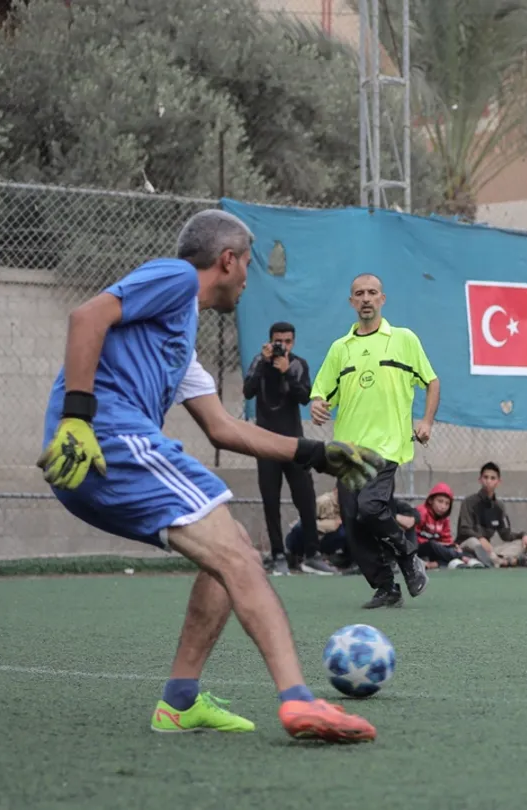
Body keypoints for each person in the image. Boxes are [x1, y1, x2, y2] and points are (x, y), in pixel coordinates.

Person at [37, 210, 378, 742]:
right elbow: (86, 316)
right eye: (247, 267)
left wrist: (315, 452)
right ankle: (298, 701)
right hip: (103, 439)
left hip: (97, 457)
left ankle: (179, 702)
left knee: (231, 546)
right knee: (240, 554)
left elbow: (223, 427)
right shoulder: (175, 278)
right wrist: (78, 419)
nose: (248, 280)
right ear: (228, 260)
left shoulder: (176, 338)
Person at [310, 273, 440, 609]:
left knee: (371, 508)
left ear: (382, 299)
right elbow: (322, 391)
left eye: (372, 293)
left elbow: (432, 381)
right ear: (351, 302)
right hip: (347, 451)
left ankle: (409, 557)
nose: (366, 298)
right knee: (353, 522)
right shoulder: (340, 349)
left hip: (387, 445)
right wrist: (317, 404)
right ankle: (386, 587)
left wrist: (425, 421)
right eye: (359, 294)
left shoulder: (403, 339)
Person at [242, 321, 335, 576]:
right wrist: (264, 363)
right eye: (278, 341)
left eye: (287, 341)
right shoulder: (259, 362)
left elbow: (305, 397)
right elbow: (248, 391)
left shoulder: (298, 364)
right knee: (270, 500)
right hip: (265, 443)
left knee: (305, 497)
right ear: (270, 340)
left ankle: (312, 554)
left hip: (294, 443)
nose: (282, 346)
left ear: (293, 342)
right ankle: (278, 554)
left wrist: (286, 373)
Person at [455, 462, 527, 568]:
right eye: (485, 477)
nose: (488, 481)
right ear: (480, 480)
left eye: (493, 478)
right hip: (468, 545)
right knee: (475, 542)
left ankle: (494, 559)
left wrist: (524, 535)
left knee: (522, 544)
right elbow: (464, 529)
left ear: (498, 482)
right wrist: (480, 538)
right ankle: (503, 562)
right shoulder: (468, 502)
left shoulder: (499, 506)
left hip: (487, 550)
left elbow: (506, 535)